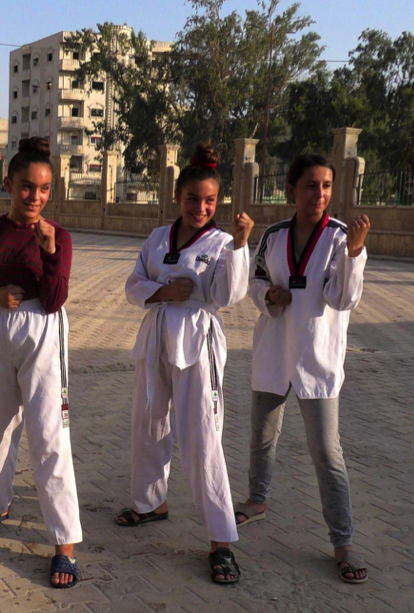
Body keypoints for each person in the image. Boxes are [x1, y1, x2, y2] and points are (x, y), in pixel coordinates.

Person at [119, 144, 254, 585]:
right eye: (193, 199)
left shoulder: (220, 242)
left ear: (219, 202)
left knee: (201, 437)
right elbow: (133, 283)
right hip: (157, 332)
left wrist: (240, 245)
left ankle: (220, 541)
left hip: (198, 341)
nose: (201, 207)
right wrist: (161, 293)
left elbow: (224, 296)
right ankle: (151, 503)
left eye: (210, 200)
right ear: (178, 196)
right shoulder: (158, 237)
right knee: (149, 421)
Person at [238, 154, 371, 584]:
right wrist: (267, 296)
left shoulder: (338, 238)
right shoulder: (273, 236)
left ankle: (343, 542)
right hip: (275, 350)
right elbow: (253, 282)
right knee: (262, 436)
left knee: (327, 453)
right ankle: (256, 501)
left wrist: (354, 253)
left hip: (318, 359)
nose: (320, 194)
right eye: (311, 185)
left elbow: (341, 299)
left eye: (327, 186)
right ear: (292, 189)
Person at [0, 137, 82, 589]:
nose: (35, 198)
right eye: (27, 187)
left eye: (45, 189)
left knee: (49, 435)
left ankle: (64, 542)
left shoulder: (58, 236)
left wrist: (49, 252)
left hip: (43, 334)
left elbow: (54, 299)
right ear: (8, 185)